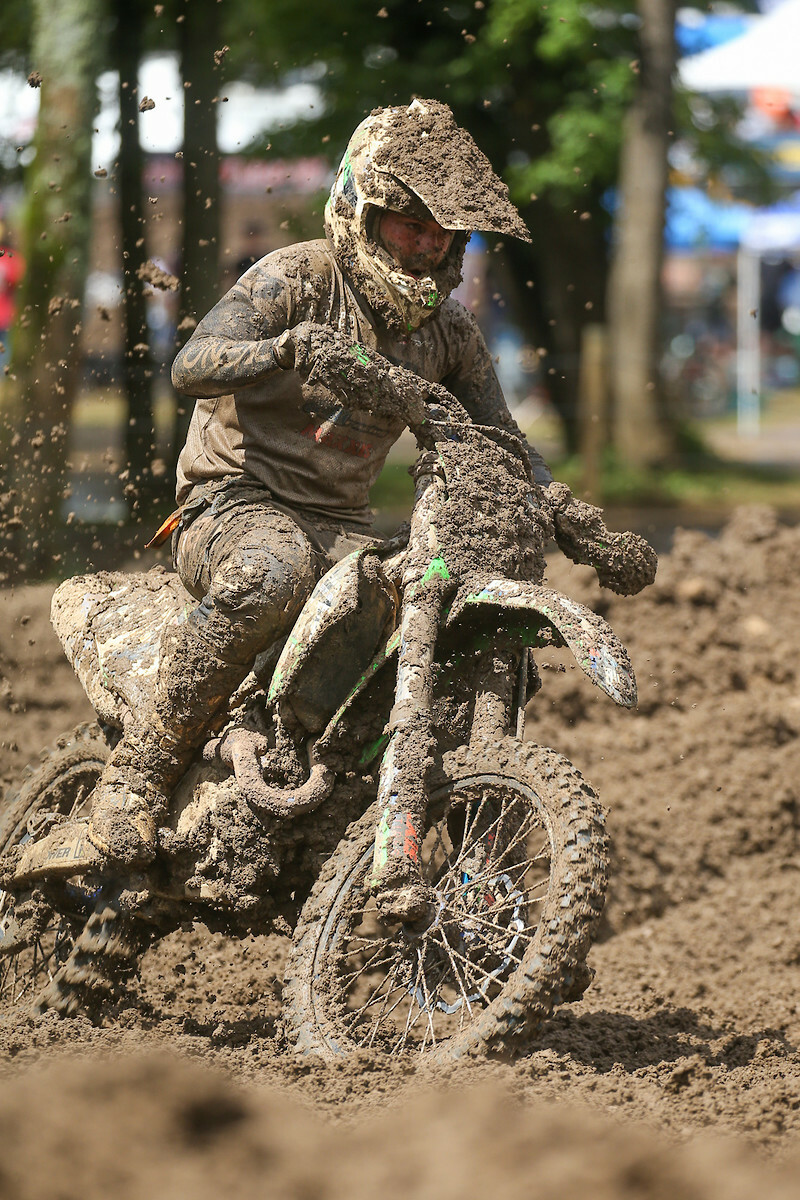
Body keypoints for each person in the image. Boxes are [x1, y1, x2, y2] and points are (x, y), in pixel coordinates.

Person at [86, 98, 654, 868]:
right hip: (231, 503)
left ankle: (372, 802)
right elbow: (190, 366)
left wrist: (562, 510)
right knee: (269, 570)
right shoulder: (299, 275)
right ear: (362, 209)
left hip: (341, 525)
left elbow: (504, 442)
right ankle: (136, 778)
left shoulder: (449, 332)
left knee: (440, 602)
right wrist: (285, 349)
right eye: (407, 224)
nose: (424, 247)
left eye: (440, 232)